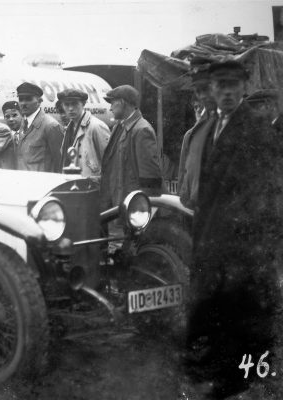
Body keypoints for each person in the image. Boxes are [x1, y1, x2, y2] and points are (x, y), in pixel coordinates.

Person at [183, 60, 283, 399]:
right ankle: (223, 371)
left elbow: (263, 194)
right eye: (220, 85)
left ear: (243, 88)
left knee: (245, 313)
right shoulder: (212, 125)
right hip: (214, 237)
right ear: (211, 90)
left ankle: (245, 379)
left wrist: (235, 240)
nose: (227, 92)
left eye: (233, 85)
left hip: (243, 244)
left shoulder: (257, 129)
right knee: (222, 311)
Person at [99, 85, 162, 210]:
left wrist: (141, 212)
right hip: (120, 204)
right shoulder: (119, 127)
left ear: (122, 102)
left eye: (113, 103)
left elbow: (149, 179)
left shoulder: (142, 130)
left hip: (133, 208)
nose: (110, 108)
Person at [177, 65, 218, 209]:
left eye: (206, 89)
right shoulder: (191, 134)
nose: (199, 110)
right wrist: (182, 197)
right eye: (196, 107)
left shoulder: (219, 124)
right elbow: (184, 170)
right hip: (193, 203)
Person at [58, 89, 110, 178]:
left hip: (91, 183)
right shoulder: (69, 128)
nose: (70, 108)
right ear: (62, 105)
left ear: (83, 104)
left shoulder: (96, 126)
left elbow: (110, 162)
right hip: (73, 181)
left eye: (74, 104)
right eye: (66, 104)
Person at [14, 82, 63, 172]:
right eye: (21, 99)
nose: (23, 103)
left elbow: (59, 162)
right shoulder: (24, 123)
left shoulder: (50, 125)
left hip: (41, 180)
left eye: (28, 99)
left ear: (39, 101)